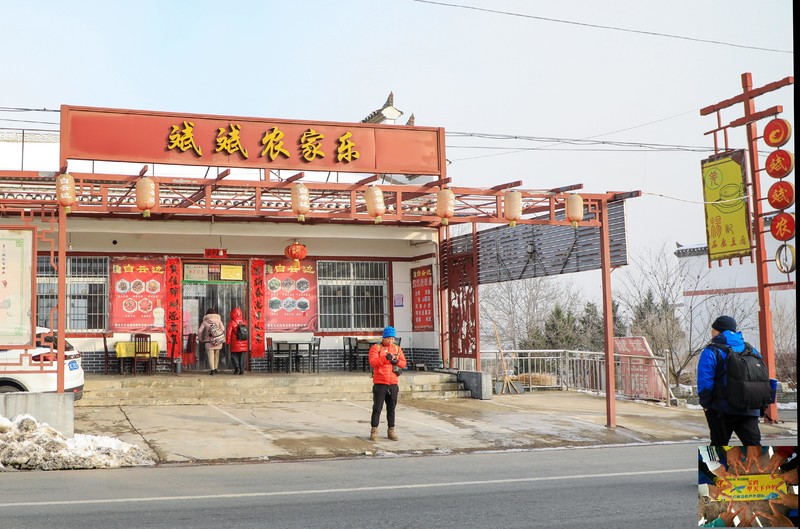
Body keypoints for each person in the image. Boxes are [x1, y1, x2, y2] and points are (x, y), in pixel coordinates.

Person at [697, 315, 763, 446]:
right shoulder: (751, 349)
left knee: (718, 446)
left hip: (721, 408)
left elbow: (705, 381)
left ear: (718, 331)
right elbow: (761, 376)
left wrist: (706, 404)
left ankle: (716, 461)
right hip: (749, 407)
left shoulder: (712, 350)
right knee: (753, 445)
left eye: (713, 329)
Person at [368, 325, 406, 442]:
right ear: (384, 338)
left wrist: (396, 361)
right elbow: (373, 362)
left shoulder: (397, 349)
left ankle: (391, 429)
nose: (391, 341)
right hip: (380, 382)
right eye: (388, 338)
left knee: (391, 408)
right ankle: (374, 430)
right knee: (377, 408)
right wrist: (385, 358)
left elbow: (403, 363)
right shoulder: (376, 348)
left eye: (392, 338)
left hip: (393, 382)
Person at [198, 308, 225, 375]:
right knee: (217, 355)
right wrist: (217, 333)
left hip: (208, 341)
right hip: (218, 340)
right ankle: (216, 369)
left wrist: (201, 338)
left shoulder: (205, 321)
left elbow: (200, 331)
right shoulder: (218, 320)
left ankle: (212, 370)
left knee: (211, 356)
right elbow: (223, 328)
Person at [226, 307, 248, 375]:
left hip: (235, 343)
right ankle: (242, 370)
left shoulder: (232, 322)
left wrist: (227, 342)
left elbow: (229, 333)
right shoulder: (244, 321)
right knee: (242, 357)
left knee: (233, 356)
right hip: (244, 342)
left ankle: (237, 368)